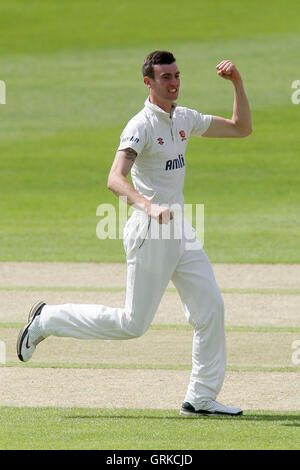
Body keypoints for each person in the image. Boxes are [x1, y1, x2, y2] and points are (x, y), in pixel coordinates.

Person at [17, 51, 252, 416]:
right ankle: (47, 320)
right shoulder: (139, 126)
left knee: (211, 308)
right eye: (165, 78)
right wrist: (147, 205)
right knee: (132, 324)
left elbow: (241, 128)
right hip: (150, 230)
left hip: (181, 230)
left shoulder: (185, 118)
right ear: (148, 82)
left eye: (176, 76)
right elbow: (114, 178)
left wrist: (237, 82)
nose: (173, 83)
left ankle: (201, 398)